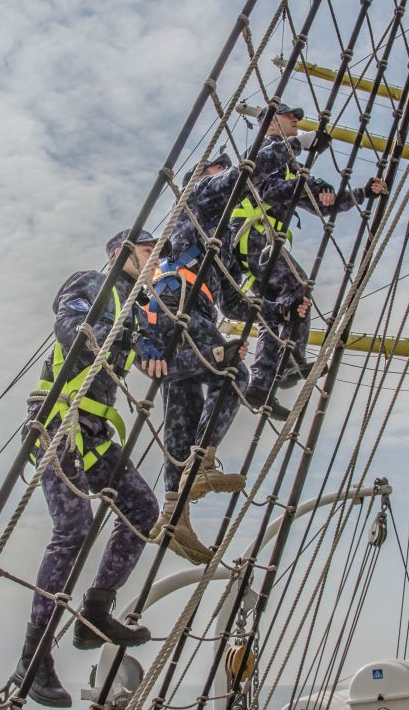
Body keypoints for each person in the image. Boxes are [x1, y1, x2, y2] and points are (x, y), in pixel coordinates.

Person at [12, 229, 162, 709]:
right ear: (121, 255)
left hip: (95, 436)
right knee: (72, 532)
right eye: (146, 252)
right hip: (59, 427)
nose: (154, 260)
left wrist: (162, 353)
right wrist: (89, 332)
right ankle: (32, 660)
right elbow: (70, 322)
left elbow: (145, 357)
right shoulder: (94, 284)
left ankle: (95, 611)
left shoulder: (136, 314)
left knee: (142, 510)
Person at [225, 104, 387, 416]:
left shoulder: (288, 166)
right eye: (290, 116)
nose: (296, 121)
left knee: (280, 312)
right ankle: (290, 363)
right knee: (297, 289)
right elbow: (266, 187)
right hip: (249, 236)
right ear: (271, 121)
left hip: (261, 242)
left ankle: (261, 386)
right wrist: (308, 182)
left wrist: (362, 193)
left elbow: (320, 204)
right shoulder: (265, 150)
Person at [139, 155, 250, 565]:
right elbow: (231, 183)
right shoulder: (195, 202)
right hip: (177, 305)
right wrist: (271, 151)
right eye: (216, 171)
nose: (221, 178)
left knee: (182, 408)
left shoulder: (212, 243)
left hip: (184, 312)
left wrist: (274, 309)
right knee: (232, 370)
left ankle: (174, 514)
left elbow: (233, 303)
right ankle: (202, 463)